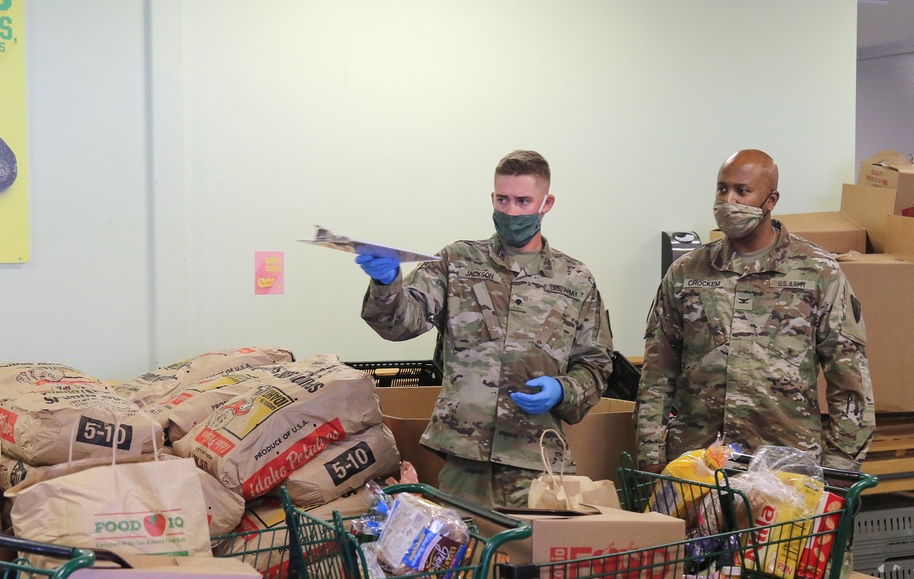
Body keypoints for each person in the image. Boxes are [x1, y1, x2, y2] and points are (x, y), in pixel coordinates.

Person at [357, 149, 614, 508]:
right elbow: (402, 324)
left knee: (528, 562)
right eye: (502, 199)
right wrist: (387, 284)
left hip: (538, 462)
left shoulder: (574, 279)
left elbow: (596, 366)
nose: (511, 211)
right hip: (465, 459)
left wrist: (563, 390)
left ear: (546, 203)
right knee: (463, 558)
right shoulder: (457, 261)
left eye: (524, 201)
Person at [635, 148, 875, 473]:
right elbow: (657, 373)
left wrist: (840, 470)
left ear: (771, 199)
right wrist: (651, 458)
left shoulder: (817, 272)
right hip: (697, 467)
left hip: (787, 470)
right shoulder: (686, 272)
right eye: (722, 189)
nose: (728, 200)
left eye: (742, 191)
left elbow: (849, 379)